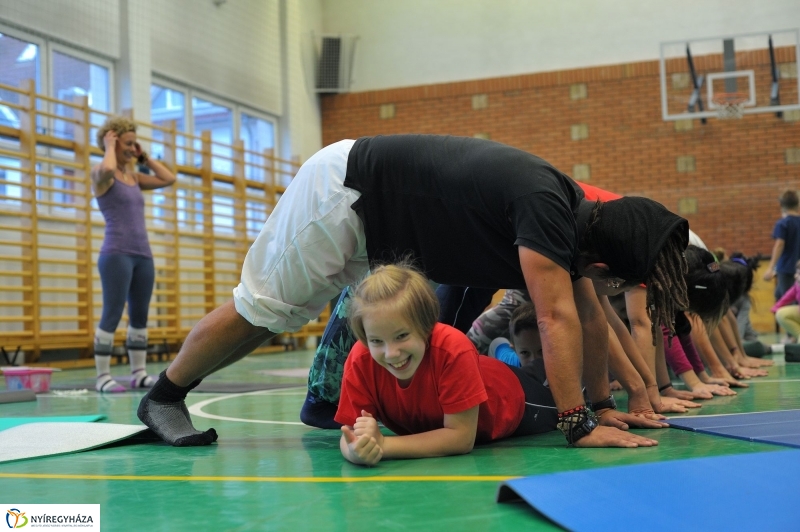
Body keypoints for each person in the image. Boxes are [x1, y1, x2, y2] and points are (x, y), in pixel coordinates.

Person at [138, 134, 688, 447]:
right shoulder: (550, 209)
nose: (603, 286)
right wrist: (577, 425)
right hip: (346, 192)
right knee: (258, 308)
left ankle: (176, 393)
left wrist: (606, 403)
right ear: (598, 256)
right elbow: (556, 320)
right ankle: (162, 396)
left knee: (277, 317)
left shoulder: (573, 218)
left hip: (379, 222)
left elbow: (590, 317)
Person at [338, 264, 627, 466]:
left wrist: (383, 446)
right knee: (529, 368)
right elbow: (348, 436)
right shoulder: (360, 360)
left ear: (426, 327)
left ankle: (514, 360)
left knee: (559, 391)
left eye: (402, 336)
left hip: (513, 401)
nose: (391, 353)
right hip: (481, 373)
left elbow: (460, 439)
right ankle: (507, 356)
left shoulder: (450, 347)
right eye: (376, 341)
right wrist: (357, 450)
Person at [91, 117, 176, 393]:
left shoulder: (135, 178)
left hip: (143, 255)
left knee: (140, 315)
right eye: (127, 144)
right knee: (112, 313)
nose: (132, 148)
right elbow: (107, 165)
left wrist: (144, 157)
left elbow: (169, 178)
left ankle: (138, 373)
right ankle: (103, 376)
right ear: (112, 142)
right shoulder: (101, 174)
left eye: (134, 144)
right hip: (116, 254)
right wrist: (108, 146)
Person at [763, 190, 800, 302]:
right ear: (798, 204)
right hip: (796, 267)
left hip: (787, 268)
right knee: (779, 296)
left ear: (781, 205)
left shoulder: (783, 223)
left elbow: (779, 245)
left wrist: (770, 267)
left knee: (789, 300)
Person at [771, 259, 800, 343]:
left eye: (799, 274)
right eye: (796, 273)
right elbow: (787, 297)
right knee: (781, 314)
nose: (795, 276)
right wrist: (776, 307)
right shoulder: (797, 285)